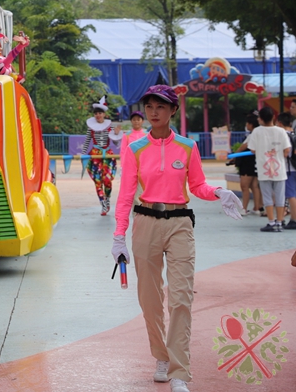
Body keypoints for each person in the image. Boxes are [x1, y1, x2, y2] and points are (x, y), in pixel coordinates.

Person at [112, 84, 243, 392]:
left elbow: (197, 185)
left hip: (180, 223)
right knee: (150, 297)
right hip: (145, 222)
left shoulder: (187, 146)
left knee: (181, 296)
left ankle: (179, 372)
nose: (153, 112)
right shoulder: (134, 149)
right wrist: (119, 235)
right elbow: (126, 194)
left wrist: (218, 192)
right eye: (149, 107)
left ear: (173, 111)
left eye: (160, 107)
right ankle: (161, 356)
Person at [245, 106, 290, 232]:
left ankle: (271, 222)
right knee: (280, 196)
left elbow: (252, 149)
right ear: (273, 117)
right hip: (280, 169)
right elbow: (287, 150)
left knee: (267, 196)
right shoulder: (281, 131)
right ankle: (280, 222)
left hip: (263, 169)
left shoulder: (257, 132)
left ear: (260, 119)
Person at [82, 97, 123, 216]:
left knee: (107, 180)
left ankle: (107, 198)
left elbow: (116, 143)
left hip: (108, 155)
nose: (98, 115)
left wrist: (116, 134)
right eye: (96, 113)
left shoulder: (109, 127)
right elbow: (87, 142)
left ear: (104, 114)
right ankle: (103, 203)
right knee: (98, 181)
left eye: (100, 113)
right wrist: (83, 155)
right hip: (95, 155)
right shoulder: (91, 128)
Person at [229, 112, 262, 216]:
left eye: (247, 123)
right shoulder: (258, 133)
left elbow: (243, 147)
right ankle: (257, 207)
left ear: (251, 124)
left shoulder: (253, 135)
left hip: (248, 164)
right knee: (254, 186)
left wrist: (234, 156)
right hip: (255, 163)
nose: (246, 126)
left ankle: (244, 208)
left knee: (244, 186)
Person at [276, 112, 296, 229]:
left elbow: (285, 154)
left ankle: (295, 219)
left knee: (291, 195)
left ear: (280, 123)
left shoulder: (284, 136)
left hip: (289, 169)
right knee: (292, 193)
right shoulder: (294, 134)